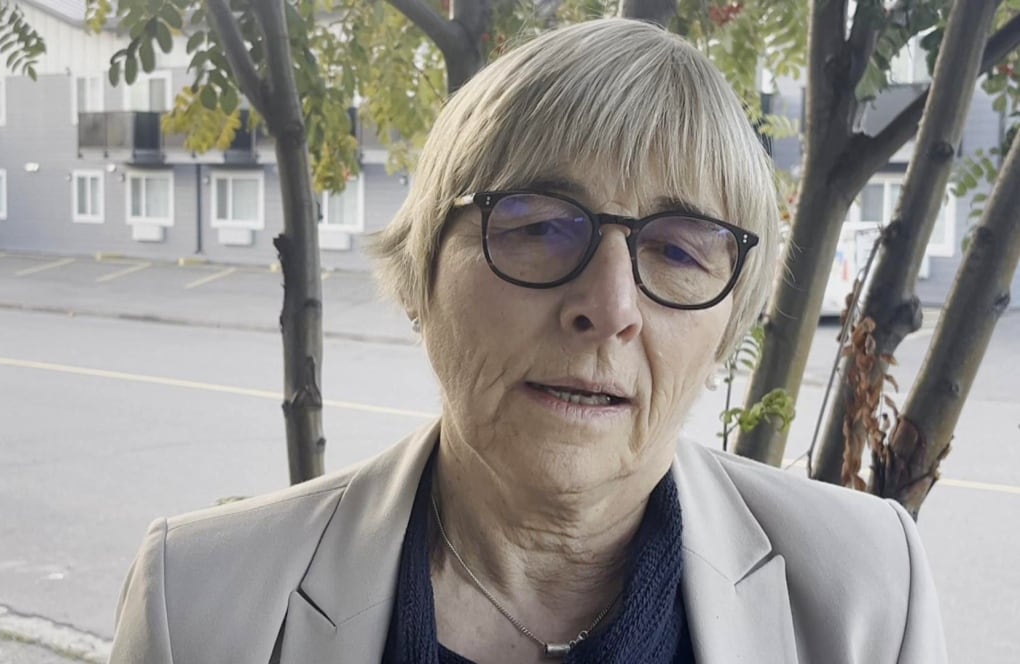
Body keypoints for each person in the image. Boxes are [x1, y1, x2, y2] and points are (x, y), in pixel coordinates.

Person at [107, 18, 946, 664]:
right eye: (540, 225)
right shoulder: (203, 601)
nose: (610, 306)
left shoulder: (869, 592)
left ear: (727, 322)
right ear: (422, 275)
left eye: (679, 250)